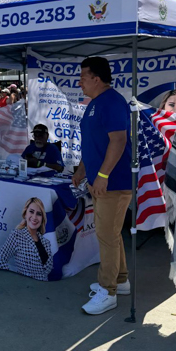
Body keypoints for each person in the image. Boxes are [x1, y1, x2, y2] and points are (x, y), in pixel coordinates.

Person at [72, 57, 132, 315]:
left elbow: (118, 141)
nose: (80, 82)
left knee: (106, 236)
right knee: (112, 234)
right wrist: (82, 171)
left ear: (97, 78)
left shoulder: (113, 102)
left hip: (113, 183)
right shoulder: (94, 104)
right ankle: (121, 280)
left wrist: (103, 176)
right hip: (100, 181)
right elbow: (93, 145)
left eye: (83, 77)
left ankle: (108, 292)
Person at [0, 197, 54, 281]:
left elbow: (47, 269)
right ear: (25, 214)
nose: (34, 217)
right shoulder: (17, 235)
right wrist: (12, 278)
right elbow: (0, 259)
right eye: (31, 212)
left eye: (39, 214)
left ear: (42, 218)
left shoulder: (46, 242)